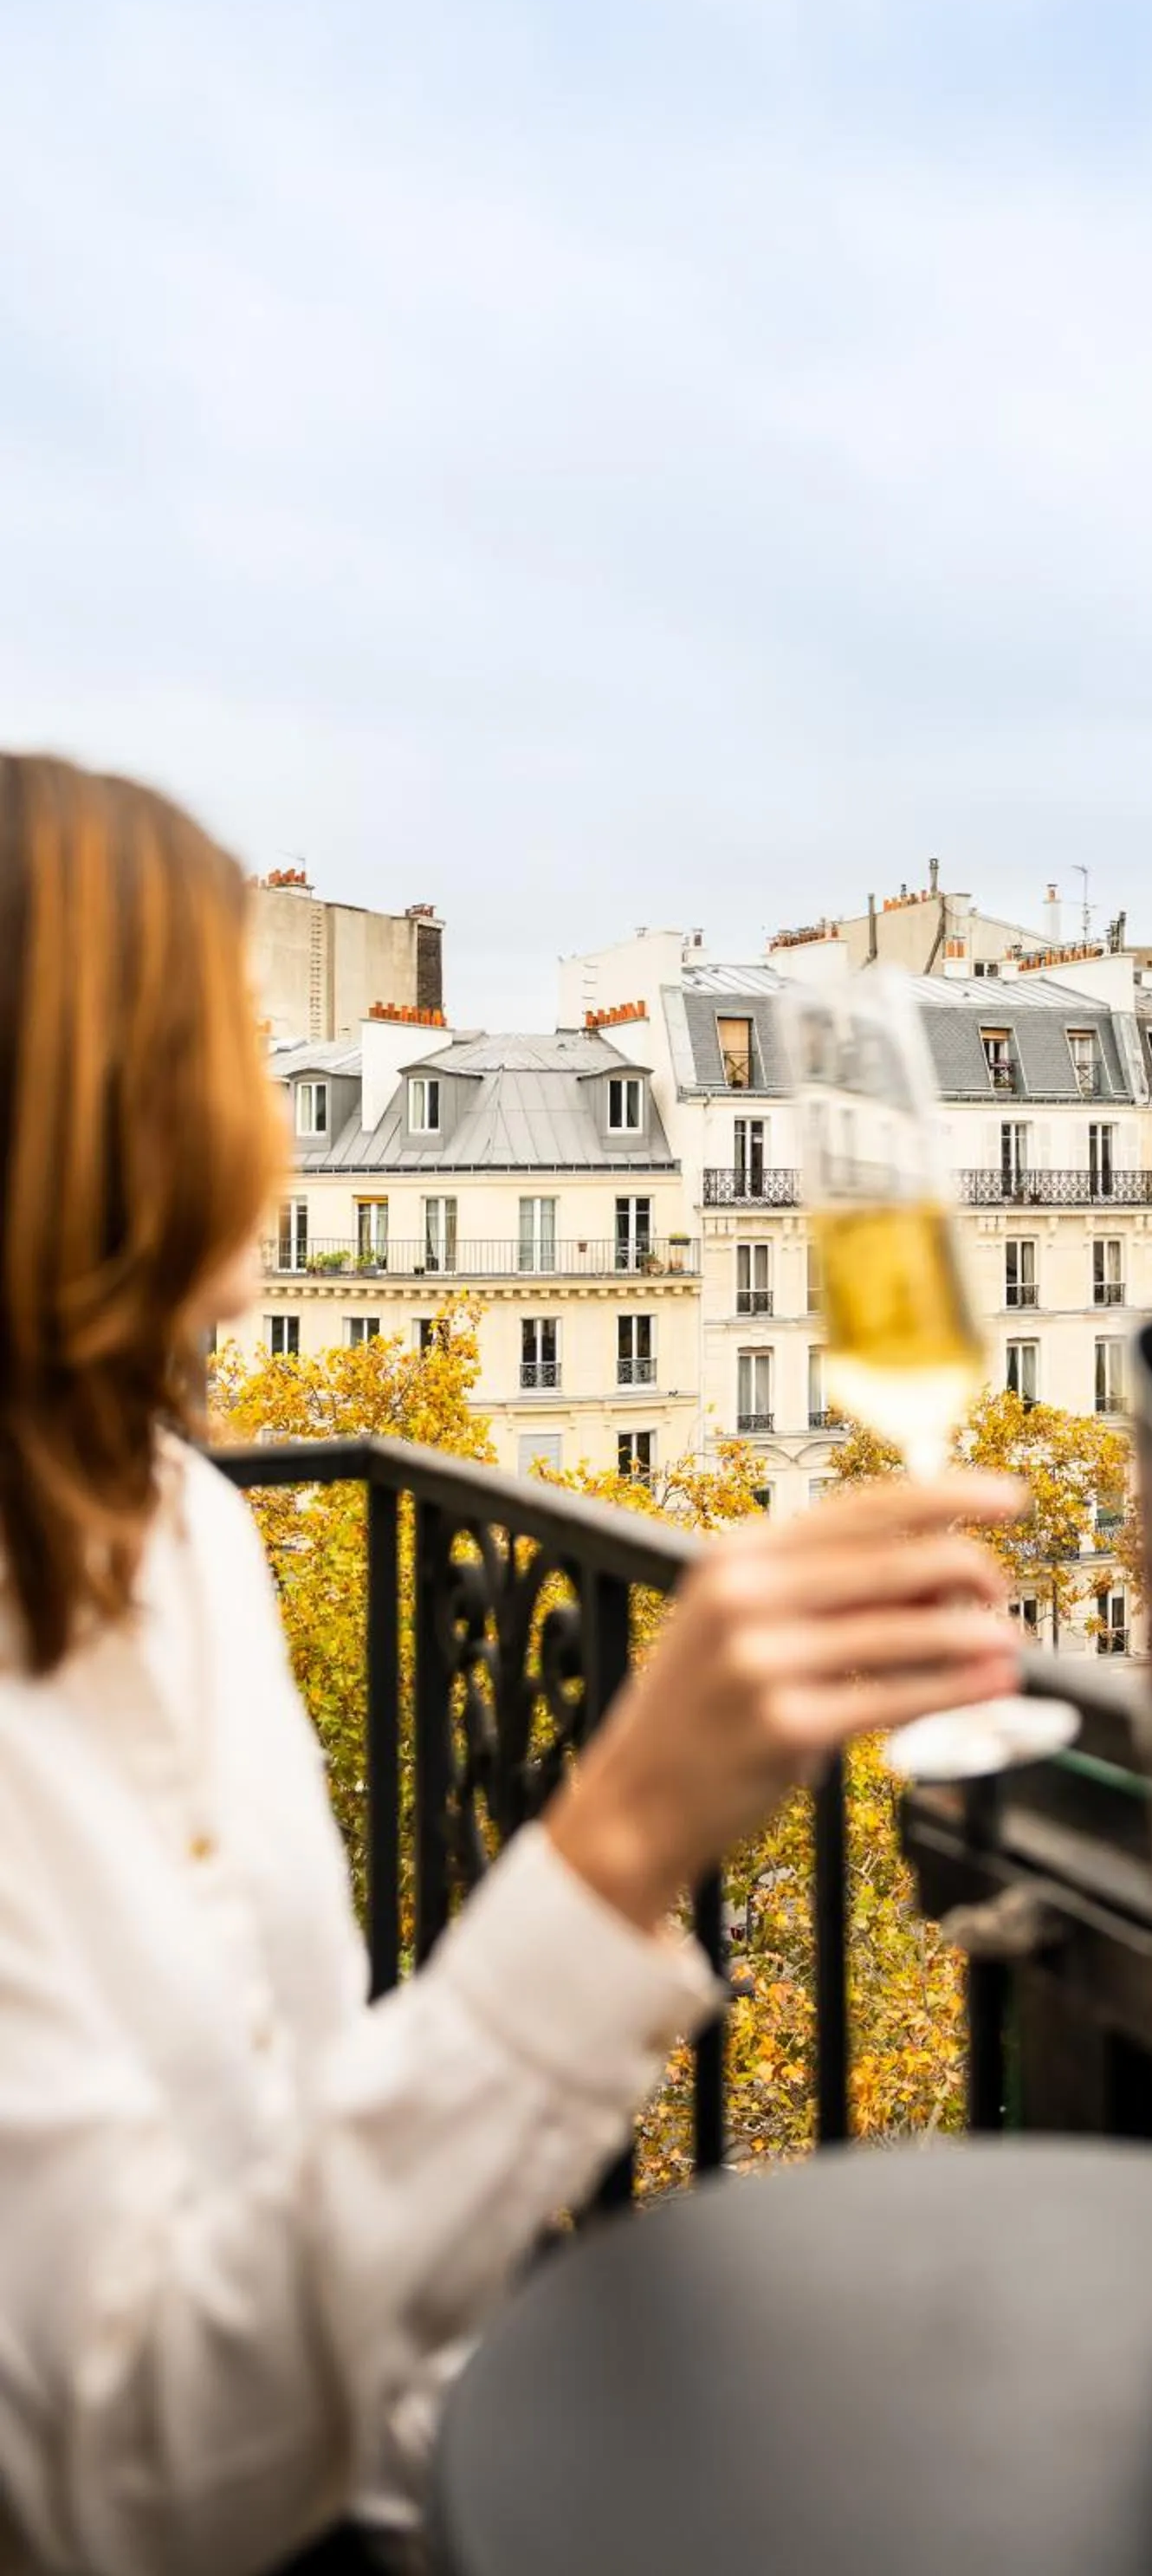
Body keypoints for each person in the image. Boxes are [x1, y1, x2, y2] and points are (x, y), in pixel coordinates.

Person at [0, 755, 1025, 2576]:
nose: (282, 1124)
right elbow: (131, 2486)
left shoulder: (187, 1533)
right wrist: (620, 1835)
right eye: (224, 1049)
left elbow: (293, 2145)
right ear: (96, 1117)